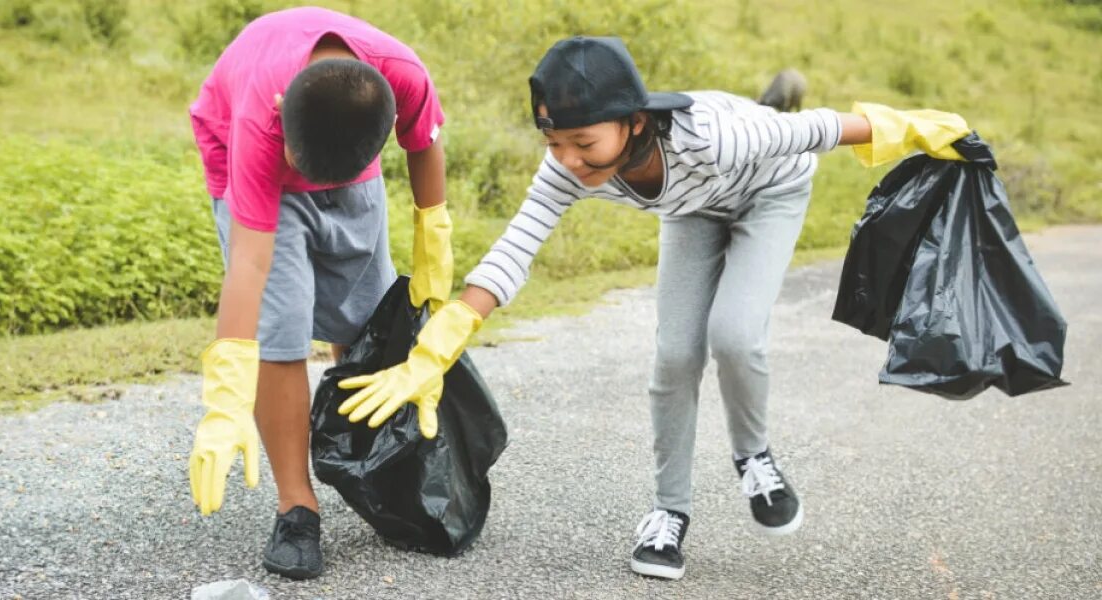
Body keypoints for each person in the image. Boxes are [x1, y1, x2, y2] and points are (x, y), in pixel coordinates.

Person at [335, 36, 970, 580]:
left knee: (735, 335)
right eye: (554, 142)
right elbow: (514, 249)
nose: (568, 160)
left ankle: (755, 459)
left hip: (770, 189)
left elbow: (827, 129)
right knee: (673, 355)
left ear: (635, 121)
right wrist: (440, 341)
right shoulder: (566, 166)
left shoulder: (716, 137)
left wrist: (920, 127)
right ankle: (669, 513)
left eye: (582, 142)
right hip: (692, 208)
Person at [186, 6, 453, 580]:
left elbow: (425, 144)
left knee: (367, 323)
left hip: (348, 162)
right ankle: (296, 507)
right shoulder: (262, 118)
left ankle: (372, 469)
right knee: (279, 329)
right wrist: (226, 393)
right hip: (254, 169)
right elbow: (250, 269)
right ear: (283, 117)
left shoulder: (401, 75)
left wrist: (434, 239)